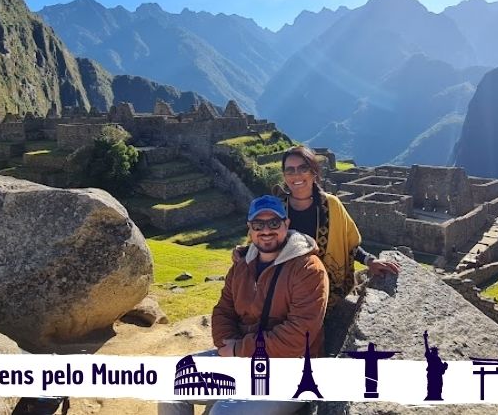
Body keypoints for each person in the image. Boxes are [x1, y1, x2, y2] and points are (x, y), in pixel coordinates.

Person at [160, 195, 328, 415]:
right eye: (258, 224)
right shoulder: (243, 265)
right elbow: (223, 311)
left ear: (286, 224)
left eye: (273, 223)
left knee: (223, 411)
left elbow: (299, 336)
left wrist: (240, 349)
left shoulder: (307, 269)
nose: (266, 230)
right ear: (250, 229)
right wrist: (227, 345)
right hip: (243, 361)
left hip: (292, 372)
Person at [237, 146, 399, 309]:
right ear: (284, 176)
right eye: (290, 170)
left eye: (303, 168)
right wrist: (243, 252)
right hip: (282, 294)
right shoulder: (277, 209)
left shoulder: (332, 205)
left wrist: (370, 260)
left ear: (314, 171)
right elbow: (262, 240)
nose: (296, 175)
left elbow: (347, 243)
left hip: (326, 293)